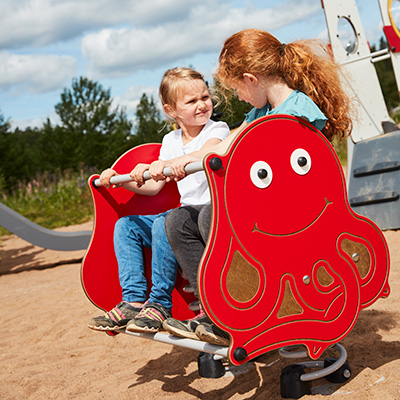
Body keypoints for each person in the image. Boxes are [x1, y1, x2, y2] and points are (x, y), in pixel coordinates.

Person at [162, 29, 354, 345]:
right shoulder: (259, 113)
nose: (238, 97)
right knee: (179, 220)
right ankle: (215, 312)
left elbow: (301, 177)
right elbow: (222, 146)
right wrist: (173, 163)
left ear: (252, 79)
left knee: (214, 216)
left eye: (237, 88)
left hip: (297, 215)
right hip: (268, 209)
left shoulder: (297, 112)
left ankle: (239, 307)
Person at [87, 67, 230, 333]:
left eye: (205, 97)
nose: (202, 105)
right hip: (184, 216)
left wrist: (172, 163)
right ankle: (133, 299)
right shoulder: (171, 139)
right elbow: (154, 185)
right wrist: (124, 176)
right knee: (127, 226)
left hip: (212, 214)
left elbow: (207, 152)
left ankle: (160, 303)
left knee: (164, 221)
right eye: (191, 101)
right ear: (171, 110)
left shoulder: (217, 129)